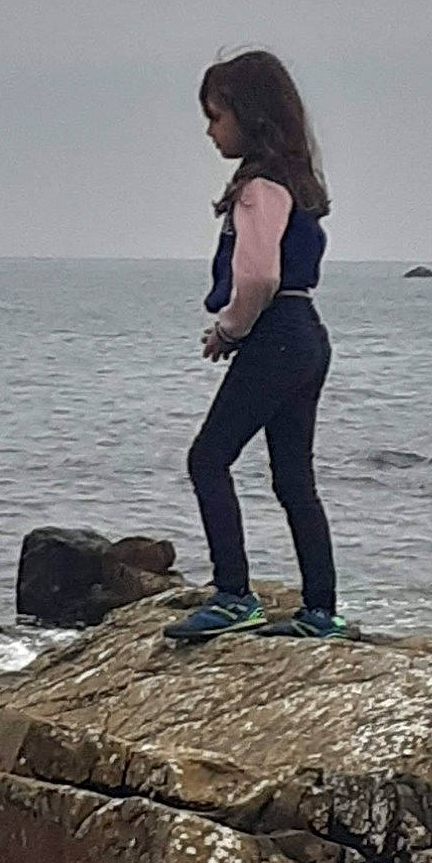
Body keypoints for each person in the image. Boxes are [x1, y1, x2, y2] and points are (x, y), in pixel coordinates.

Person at [164, 50, 347, 642]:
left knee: (207, 459)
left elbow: (258, 278)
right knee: (294, 480)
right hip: (307, 333)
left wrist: (230, 331)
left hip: (275, 337)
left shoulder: (258, 187)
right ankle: (321, 611)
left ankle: (233, 595)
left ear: (250, 115)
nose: (210, 130)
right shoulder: (297, 180)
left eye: (216, 116)